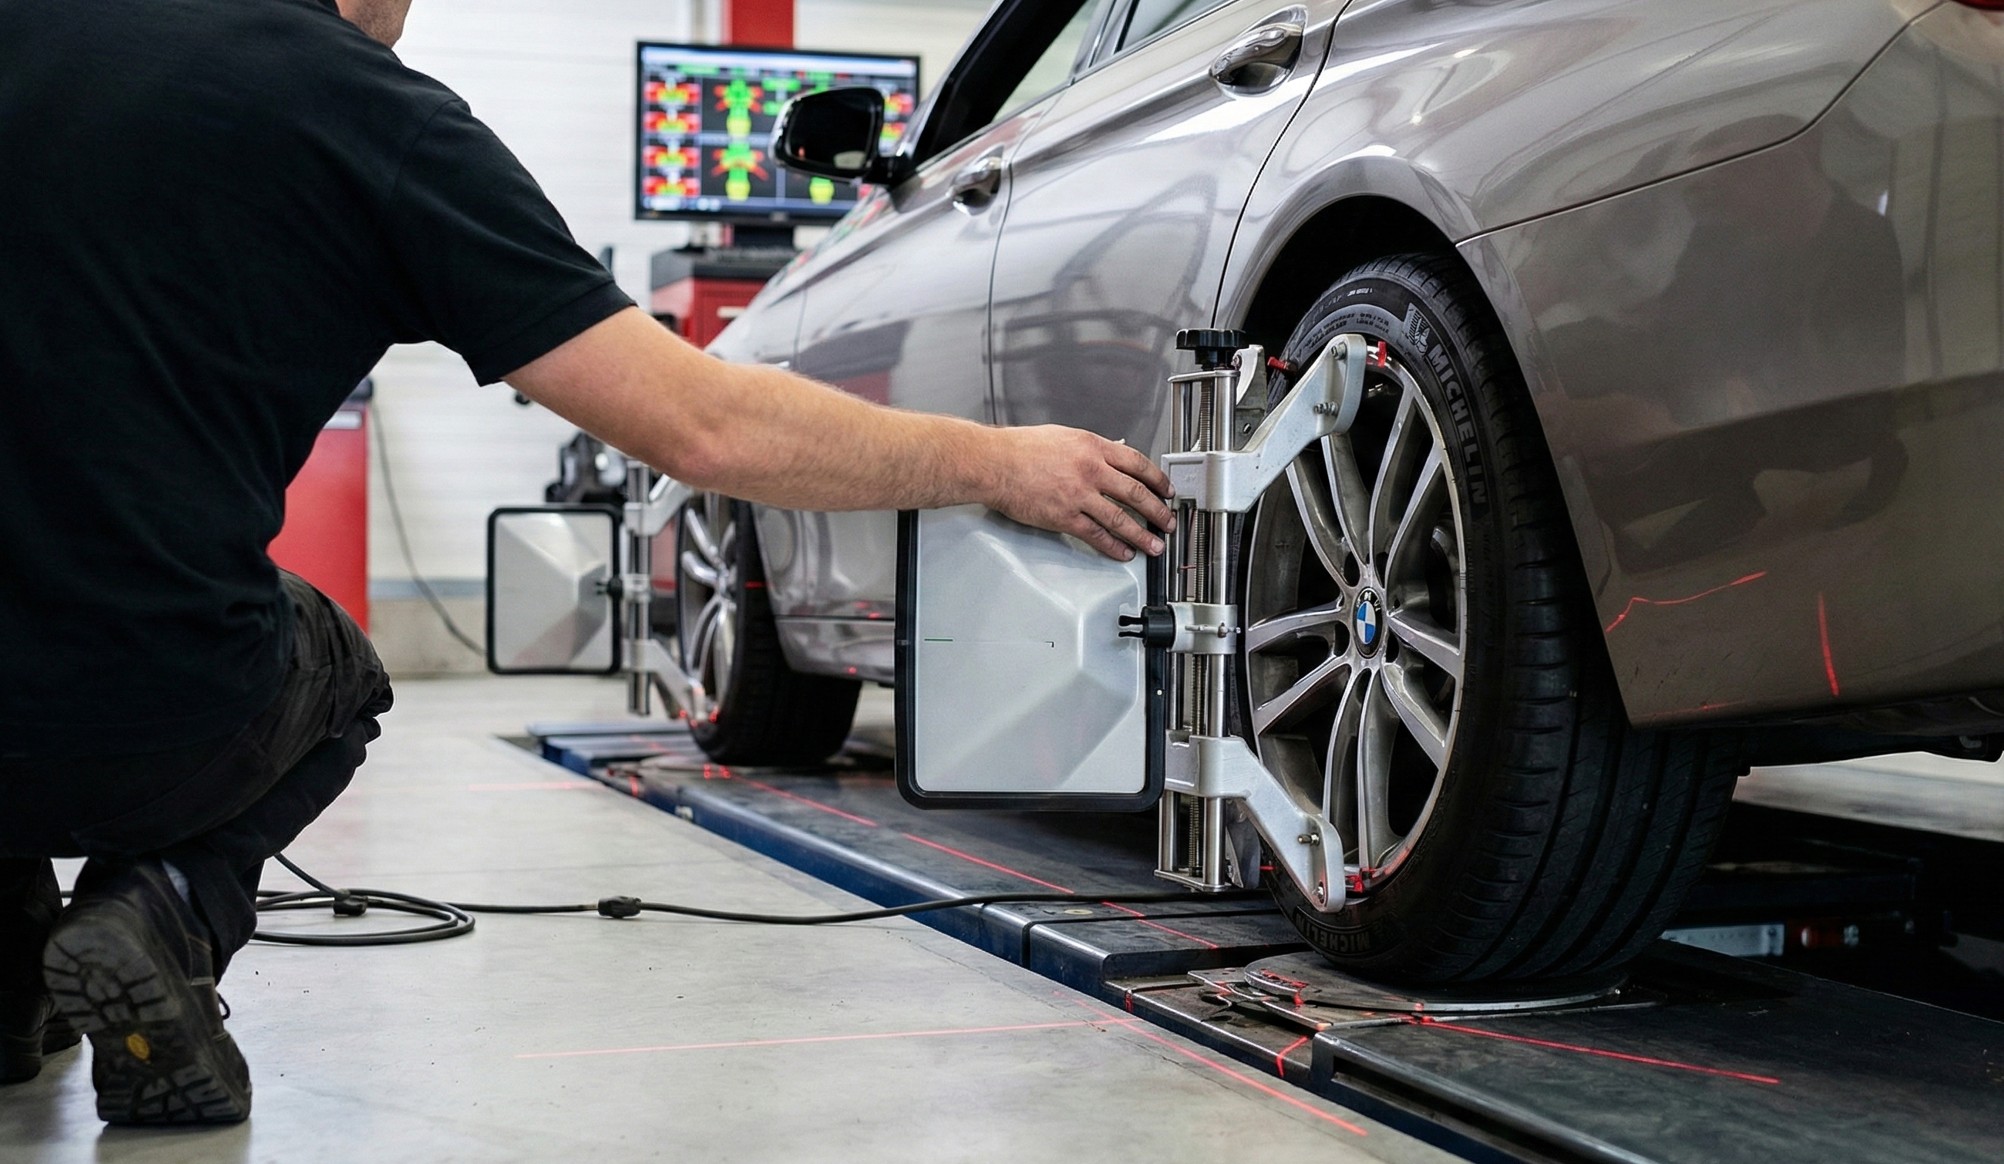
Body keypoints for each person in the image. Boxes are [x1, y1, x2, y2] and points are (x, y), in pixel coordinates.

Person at [0, 0, 1174, 1125]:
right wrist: (1002, 464)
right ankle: (167, 903)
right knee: (337, 676)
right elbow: (706, 428)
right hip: (137, 710)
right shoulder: (369, 112)